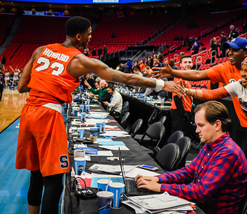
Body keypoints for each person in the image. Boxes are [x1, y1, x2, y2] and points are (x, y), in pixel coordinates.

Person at [16, 16, 184, 214]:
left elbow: (21, 86)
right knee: (54, 181)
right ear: (78, 37)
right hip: (49, 114)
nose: (90, 38)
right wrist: (162, 84)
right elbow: (125, 77)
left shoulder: (39, 51)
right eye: (88, 35)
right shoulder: (80, 60)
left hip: (29, 112)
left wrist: (48, 82)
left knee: (35, 174)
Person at [135, 101, 247, 214]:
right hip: (198, 207)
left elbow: (200, 192)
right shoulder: (210, 145)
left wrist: (160, 187)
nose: (196, 130)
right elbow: (188, 171)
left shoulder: (228, 153)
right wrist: (159, 179)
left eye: (201, 125)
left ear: (217, 125)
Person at [152, 37, 247, 129]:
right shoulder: (225, 68)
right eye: (229, 50)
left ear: (246, 52)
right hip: (245, 127)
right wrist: (173, 72)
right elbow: (199, 76)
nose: (229, 53)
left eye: (235, 50)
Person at [170, 55, 193, 136]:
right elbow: (176, 97)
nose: (188, 64)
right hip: (180, 112)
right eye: (185, 62)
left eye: (190, 62)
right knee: (177, 136)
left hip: (185, 111)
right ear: (180, 65)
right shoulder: (179, 76)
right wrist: (183, 113)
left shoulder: (186, 77)